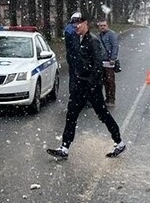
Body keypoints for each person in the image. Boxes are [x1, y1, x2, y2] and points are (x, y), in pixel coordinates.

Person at [47, 15, 126, 159]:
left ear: (85, 24)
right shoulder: (80, 39)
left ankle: (119, 142)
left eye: (79, 24)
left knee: (103, 115)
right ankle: (64, 147)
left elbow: (97, 66)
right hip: (80, 84)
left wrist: (91, 85)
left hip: (91, 87)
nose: (76, 27)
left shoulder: (93, 41)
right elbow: (78, 61)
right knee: (71, 115)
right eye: (74, 25)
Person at [97, 19, 119, 106]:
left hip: (109, 61)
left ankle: (111, 99)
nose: (102, 27)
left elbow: (115, 46)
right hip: (101, 61)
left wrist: (113, 58)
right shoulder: (98, 36)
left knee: (110, 81)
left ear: (107, 26)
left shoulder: (112, 34)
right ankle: (106, 98)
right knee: (103, 81)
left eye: (104, 25)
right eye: (100, 26)